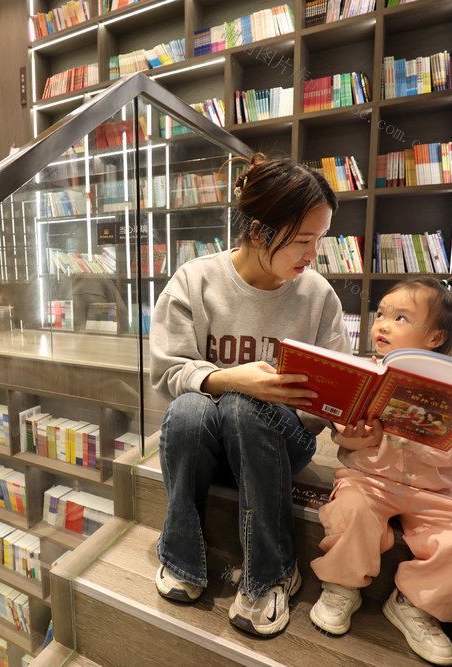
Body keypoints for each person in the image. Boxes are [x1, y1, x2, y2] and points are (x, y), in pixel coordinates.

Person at [150, 154, 351, 636]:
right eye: (303, 241)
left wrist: (337, 410)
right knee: (189, 410)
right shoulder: (196, 281)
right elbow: (167, 372)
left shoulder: (318, 295)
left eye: (319, 240)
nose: (312, 255)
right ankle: (180, 554)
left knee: (246, 407)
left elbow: (335, 395)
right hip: (206, 443)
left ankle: (275, 571)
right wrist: (235, 378)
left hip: (283, 443)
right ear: (260, 231)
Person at [308, 276, 452, 665]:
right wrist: (356, 436)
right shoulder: (368, 372)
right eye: (381, 313)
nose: (382, 324)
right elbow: (347, 443)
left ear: (436, 337)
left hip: (437, 494)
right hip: (369, 480)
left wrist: (415, 435)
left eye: (400, 318)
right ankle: (341, 586)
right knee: (352, 513)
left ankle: (414, 603)